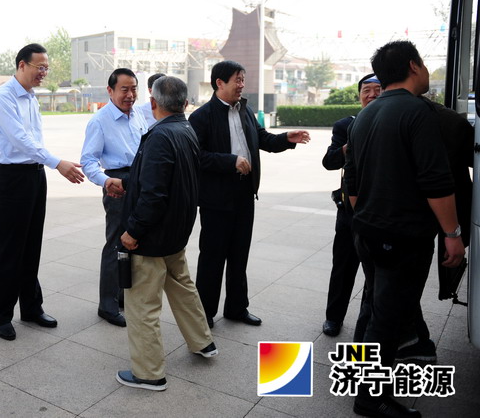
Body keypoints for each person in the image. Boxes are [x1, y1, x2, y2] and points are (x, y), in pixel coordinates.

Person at [344, 40, 464, 418]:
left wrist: (368, 217)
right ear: (414, 66)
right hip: (401, 236)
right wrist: (452, 234)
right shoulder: (418, 112)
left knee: (376, 308)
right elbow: (436, 182)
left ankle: (361, 380)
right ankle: (370, 399)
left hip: (366, 231)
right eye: (424, 65)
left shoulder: (366, 115)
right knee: (387, 320)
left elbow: (353, 181)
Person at [113, 76, 217, 392]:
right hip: (176, 232)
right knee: (183, 288)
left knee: (142, 305)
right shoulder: (185, 130)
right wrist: (127, 183)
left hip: (152, 238)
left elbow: (154, 194)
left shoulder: (160, 135)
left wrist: (133, 231)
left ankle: (149, 373)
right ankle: (203, 341)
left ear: (153, 103)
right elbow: (167, 178)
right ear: (184, 103)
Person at [188, 60, 309, 328]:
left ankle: (236, 308)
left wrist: (286, 138)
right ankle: (204, 313)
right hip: (216, 199)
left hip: (244, 193)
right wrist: (229, 161)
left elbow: (262, 139)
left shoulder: (245, 110)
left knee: (239, 254)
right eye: (237, 80)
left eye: (243, 79)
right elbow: (196, 156)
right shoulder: (201, 117)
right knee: (212, 258)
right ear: (219, 83)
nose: (242, 85)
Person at [0, 43, 85, 341]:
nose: (44, 73)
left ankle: (31, 307)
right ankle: (1, 315)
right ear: (21, 65)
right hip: (11, 178)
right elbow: (20, 140)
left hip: (33, 175)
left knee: (31, 245)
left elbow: (34, 140)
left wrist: (46, 165)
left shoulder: (30, 97)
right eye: (39, 67)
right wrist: (57, 163)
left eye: (46, 68)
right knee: (10, 248)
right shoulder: (3, 97)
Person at [80, 68, 147, 327]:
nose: (130, 95)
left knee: (134, 241)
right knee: (115, 244)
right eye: (124, 90)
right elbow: (88, 161)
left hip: (139, 180)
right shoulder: (100, 121)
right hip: (117, 183)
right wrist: (106, 181)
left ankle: (122, 294)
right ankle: (106, 305)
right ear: (110, 91)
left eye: (133, 89)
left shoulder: (138, 115)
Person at [321, 73, 382, 337]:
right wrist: (348, 146)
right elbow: (329, 162)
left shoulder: (394, 122)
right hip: (349, 212)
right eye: (366, 90)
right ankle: (333, 318)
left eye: (378, 90)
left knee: (377, 273)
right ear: (359, 96)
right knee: (343, 267)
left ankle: (369, 321)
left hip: (381, 212)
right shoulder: (346, 125)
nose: (372, 95)